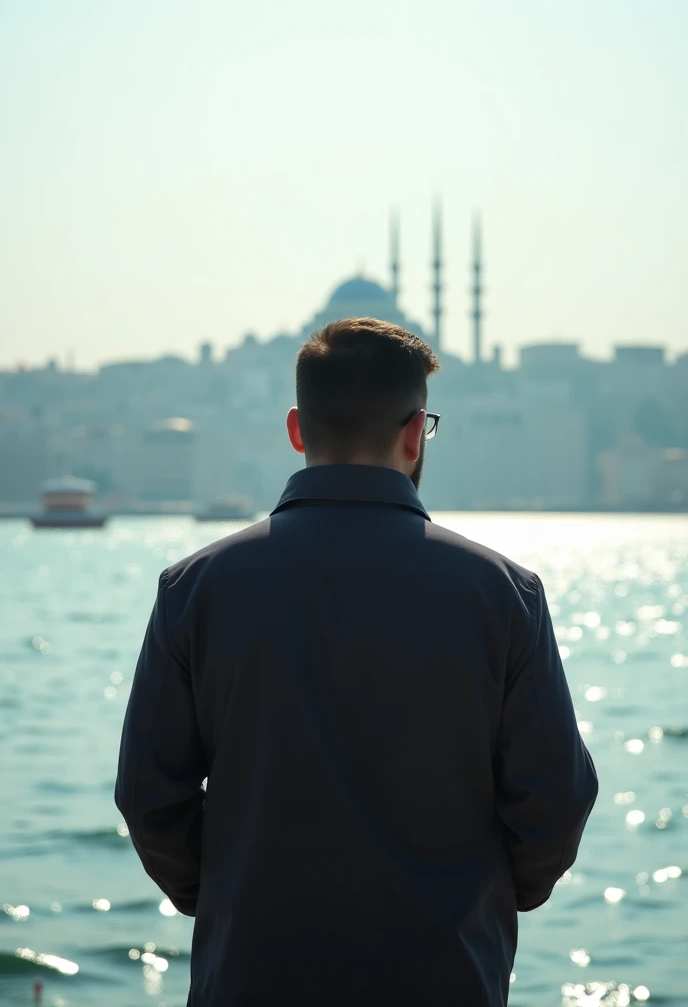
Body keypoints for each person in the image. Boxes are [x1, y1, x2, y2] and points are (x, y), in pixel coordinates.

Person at [115, 317, 598, 1007]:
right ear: (414, 432)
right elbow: (554, 805)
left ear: (296, 429)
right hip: (445, 978)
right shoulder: (503, 595)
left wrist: (227, 896)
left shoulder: (196, 589)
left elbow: (147, 797)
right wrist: (476, 901)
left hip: (253, 977)